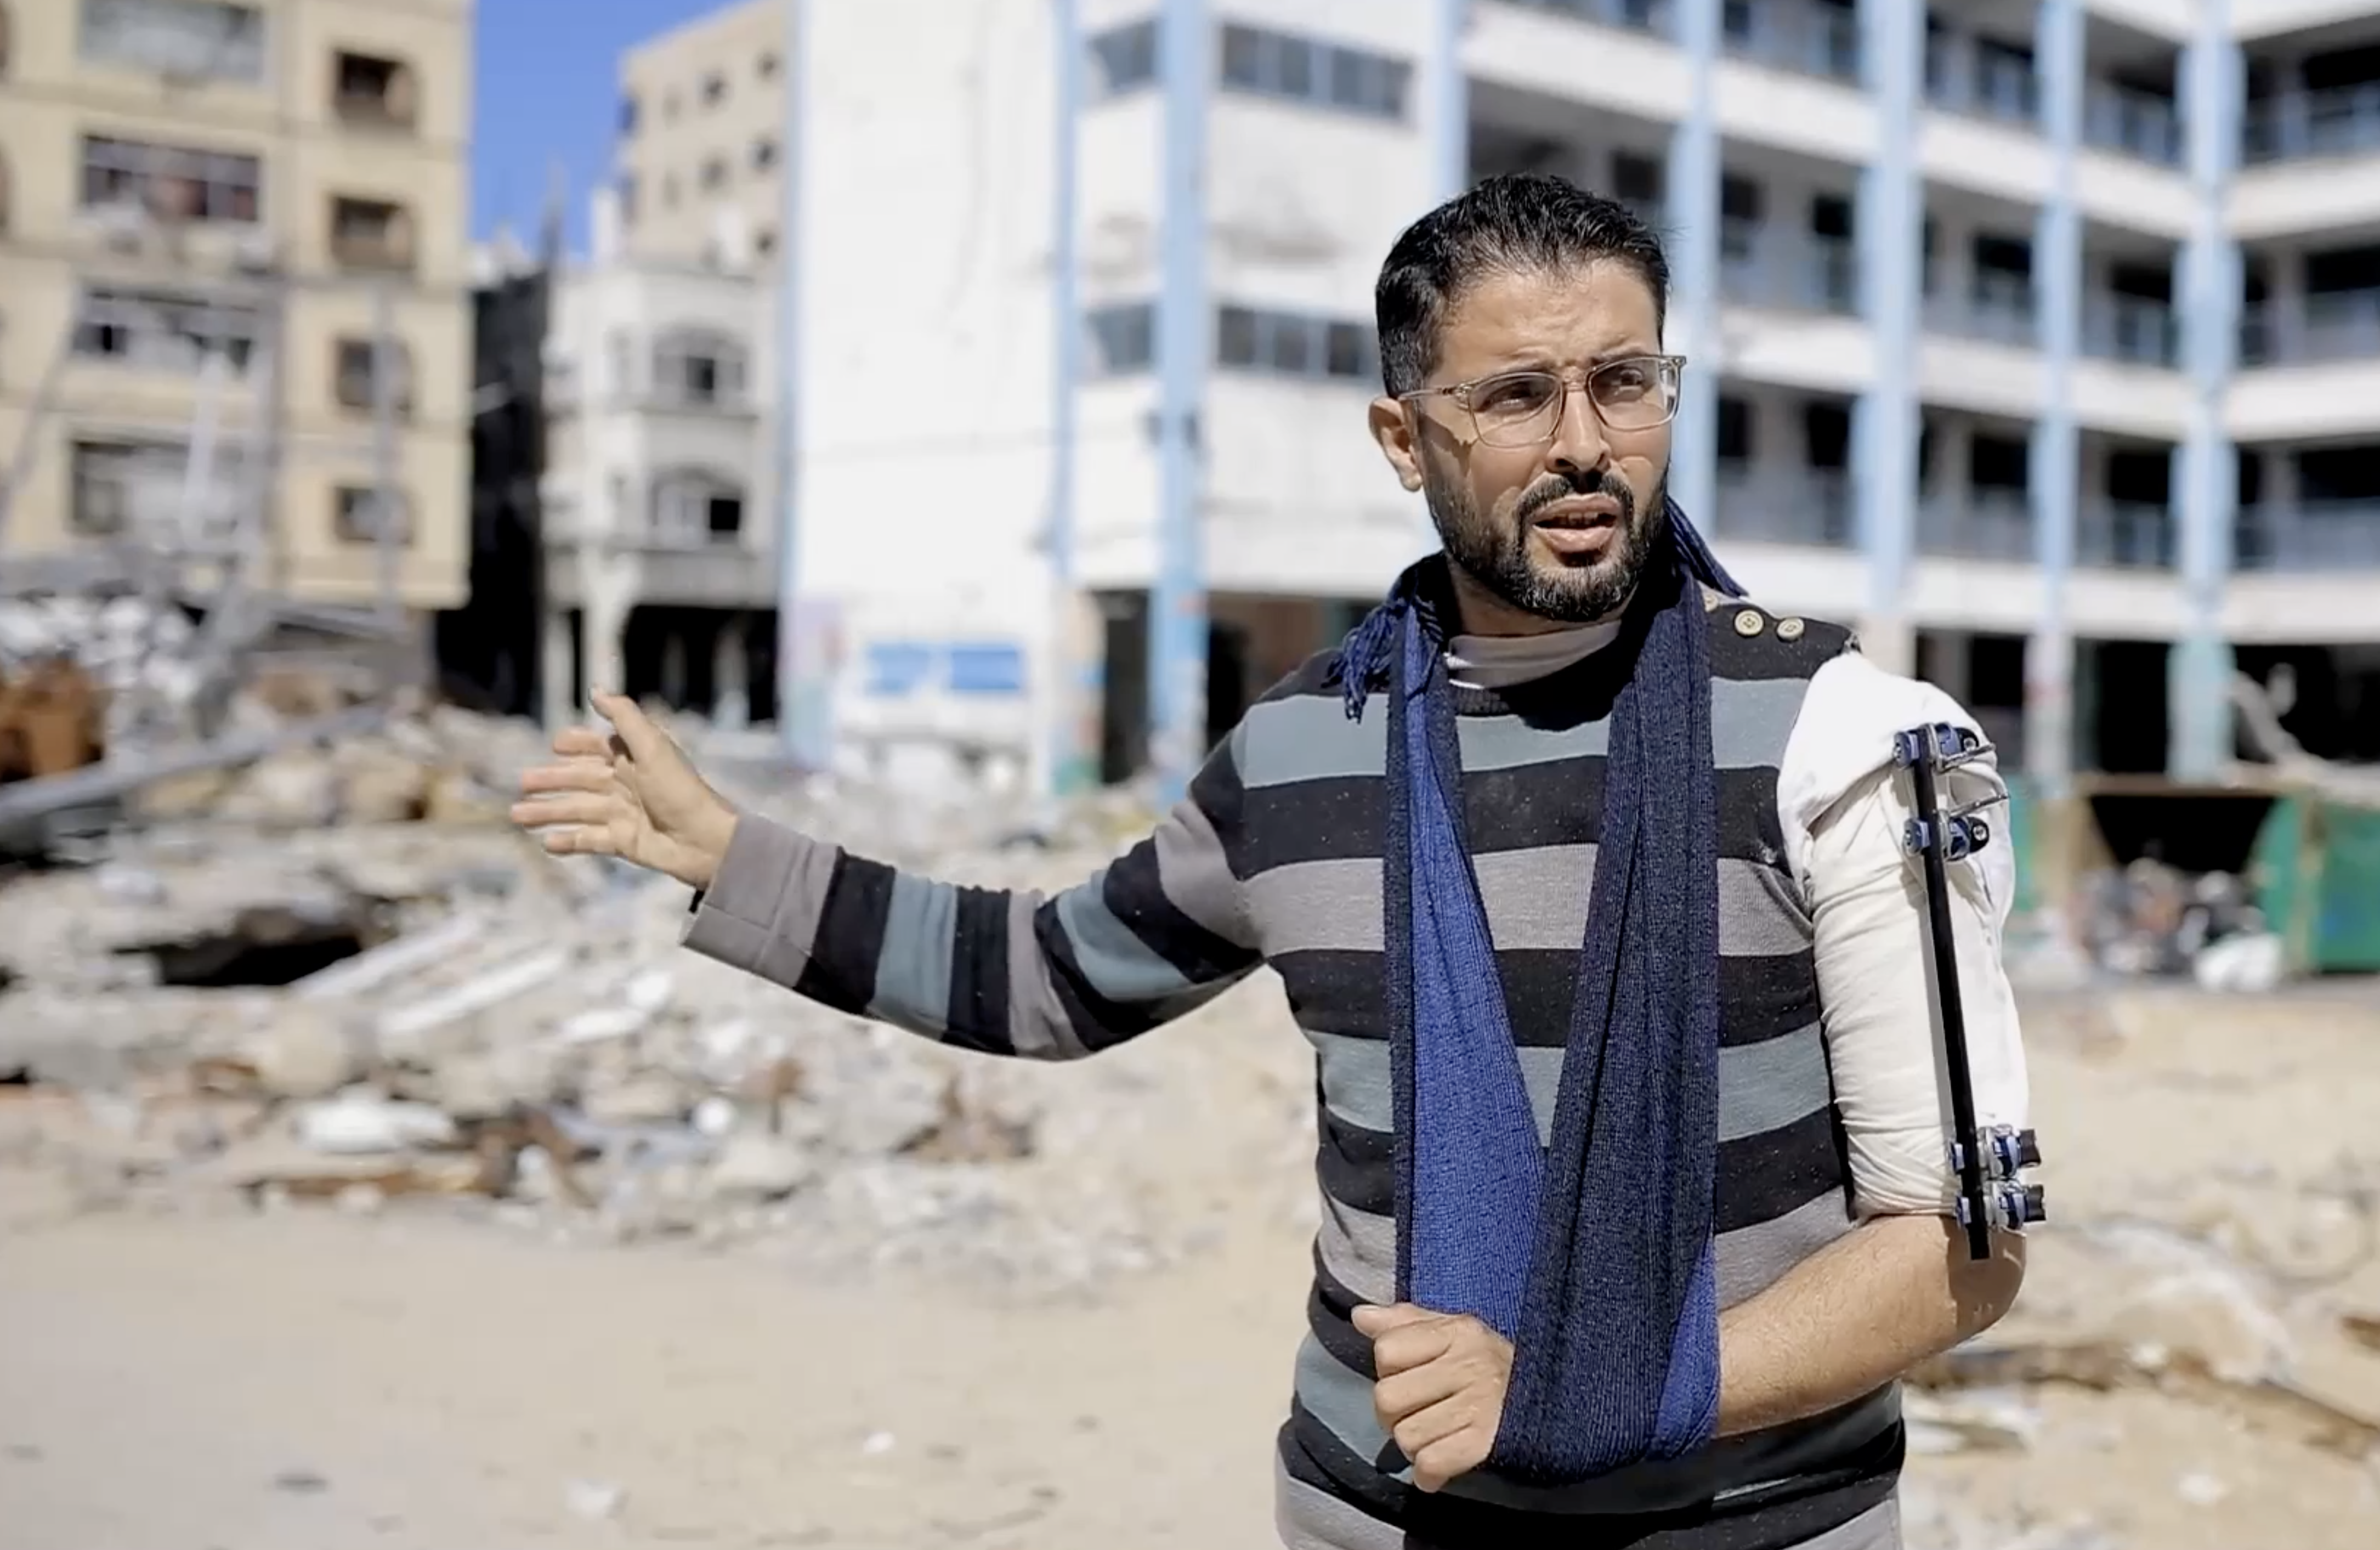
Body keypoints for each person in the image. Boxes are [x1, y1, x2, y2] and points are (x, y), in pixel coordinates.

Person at [513, 173, 2032, 1550]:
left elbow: (1956, 1251)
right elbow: (1044, 979)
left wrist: (1584, 1391)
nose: (1584, 444)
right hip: (1373, 1515)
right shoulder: (1303, 752)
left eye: (1622, 382)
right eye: (1514, 396)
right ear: (1402, 439)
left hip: (1756, 1525)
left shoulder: (1841, 736)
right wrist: (736, 858)